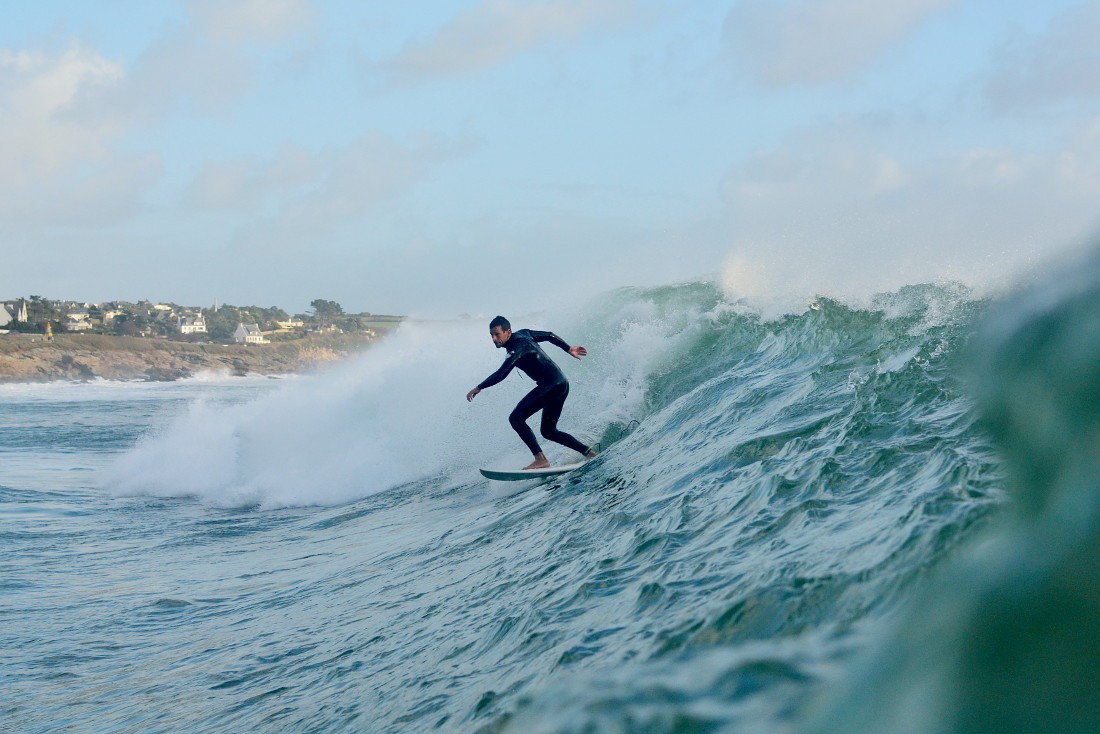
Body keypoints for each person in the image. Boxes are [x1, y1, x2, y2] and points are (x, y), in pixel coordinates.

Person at [467, 316, 598, 470]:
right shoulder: (525, 333)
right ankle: (590, 453)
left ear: (508, 332)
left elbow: (501, 374)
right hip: (561, 383)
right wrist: (568, 348)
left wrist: (479, 387)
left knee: (516, 418)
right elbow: (549, 335)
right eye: (491, 335)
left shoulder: (516, 348)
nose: (494, 339)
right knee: (549, 431)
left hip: (551, 385)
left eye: (497, 334)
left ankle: (540, 459)